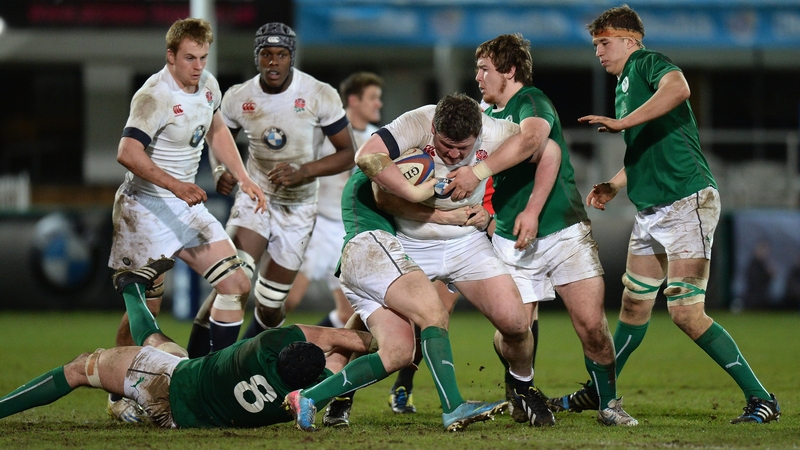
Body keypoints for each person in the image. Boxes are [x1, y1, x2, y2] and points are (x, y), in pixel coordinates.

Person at [550, 4, 779, 424]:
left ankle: (762, 398)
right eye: (596, 44)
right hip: (651, 210)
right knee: (633, 308)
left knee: (685, 312)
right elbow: (646, 145)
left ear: (630, 41)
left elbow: (679, 88)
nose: (598, 52)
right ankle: (600, 390)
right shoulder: (625, 87)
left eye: (604, 43)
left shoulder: (647, 63)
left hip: (686, 201)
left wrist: (622, 124)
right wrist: (616, 184)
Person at [324, 93, 559, 428]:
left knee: (517, 324)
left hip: (467, 244)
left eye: (461, 148)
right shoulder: (415, 123)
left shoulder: (495, 132)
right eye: (445, 144)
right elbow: (370, 164)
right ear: (434, 127)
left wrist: (495, 183)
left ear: (478, 135)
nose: (452, 154)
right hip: (411, 241)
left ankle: (524, 388)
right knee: (376, 329)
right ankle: (342, 396)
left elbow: (549, 149)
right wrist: (421, 198)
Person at [442, 33, 636, 426]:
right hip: (510, 240)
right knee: (513, 329)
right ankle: (521, 387)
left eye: (485, 69)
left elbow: (535, 142)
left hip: (564, 231)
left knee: (593, 327)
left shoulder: (531, 102)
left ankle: (609, 404)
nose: (477, 76)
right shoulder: (481, 116)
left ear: (510, 71)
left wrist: (515, 199)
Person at [283, 105, 506, 432]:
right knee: (434, 313)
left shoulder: (393, 167)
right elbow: (393, 189)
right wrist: (442, 199)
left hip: (360, 262)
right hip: (371, 246)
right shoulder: (402, 165)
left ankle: (311, 397)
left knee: (398, 352)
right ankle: (454, 407)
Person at [0, 258, 376, 429]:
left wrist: (371, 314)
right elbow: (344, 354)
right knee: (155, 339)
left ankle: (2, 410)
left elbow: (337, 338)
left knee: (81, 367)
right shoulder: (304, 399)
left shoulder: (266, 345)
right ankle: (131, 285)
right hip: (179, 419)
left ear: (286, 351)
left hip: (166, 381)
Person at [108, 17, 266, 421]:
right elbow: (128, 152)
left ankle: (217, 378)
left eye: (203, 57)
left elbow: (215, 129)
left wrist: (244, 176)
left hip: (184, 208)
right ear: (171, 57)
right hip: (143, 210)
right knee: (147, 313)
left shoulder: (208, 84)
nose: (197, 66)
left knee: (236, 283)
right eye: (190, 58)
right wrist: (177, 185)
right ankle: (117, 396)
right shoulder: (153, 96)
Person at [185, 23, 356, 357]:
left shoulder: (320, 94)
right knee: (232, 283)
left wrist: (304, 172)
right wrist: (223, 170)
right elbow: (218, 138)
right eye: (266, 54)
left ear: (291, 57)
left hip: (299, 209)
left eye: (281, 54)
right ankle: (201, 370)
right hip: (255, 200)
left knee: (270, 306)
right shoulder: (238, 97)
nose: (273, 62)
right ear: (257, 58)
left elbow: (348, 154)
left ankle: (243, 361)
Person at [283, 72, 384, 329]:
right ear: (353, 100)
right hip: (317, 225)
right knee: (286, 300)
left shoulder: (378, 139)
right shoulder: (329, 133)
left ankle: (310, 355)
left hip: (345, 230)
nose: (378, 104)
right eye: (372, 97)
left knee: (347, 314)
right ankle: (244, 356)